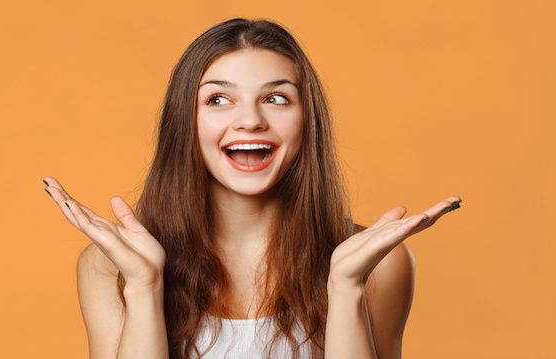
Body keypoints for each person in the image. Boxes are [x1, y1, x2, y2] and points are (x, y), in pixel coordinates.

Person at [43, 18, 462, 359]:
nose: (250, 121)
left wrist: (346, 288)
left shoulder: (380, 265)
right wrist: (143, 287)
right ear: (184, 123)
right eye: (218, 100)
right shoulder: (109, 267)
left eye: (276, 99)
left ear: (307, 122)